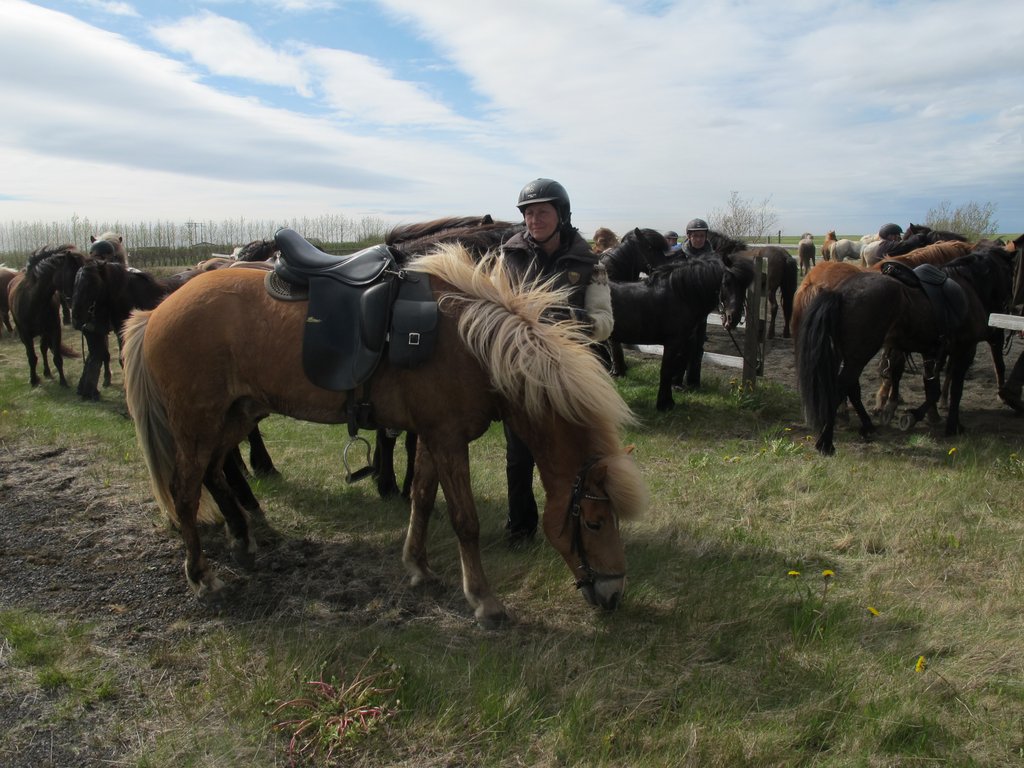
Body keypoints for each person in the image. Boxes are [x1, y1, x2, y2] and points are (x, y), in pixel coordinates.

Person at [499, 178, 614, 545]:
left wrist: (576, 322)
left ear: (561, 215)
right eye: (529, 213)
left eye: (543, 212)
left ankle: (576, 521)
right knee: (519, 456)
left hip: (569, 374)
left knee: (573, 454)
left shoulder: (590, 263)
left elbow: (605, 321)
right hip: (521, 371)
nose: (534, 220)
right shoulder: (509, 257)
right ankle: (520, 527)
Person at [676, 217, 716, 388]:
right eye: (695, 236)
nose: (699, 239)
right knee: (680, 346)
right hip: (681, 309)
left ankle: (693, 382)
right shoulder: (679, 256)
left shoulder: (712, 257)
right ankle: (676, 381)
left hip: (701, 310)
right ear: (689, 236)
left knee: (698, 347)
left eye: (702, 236)